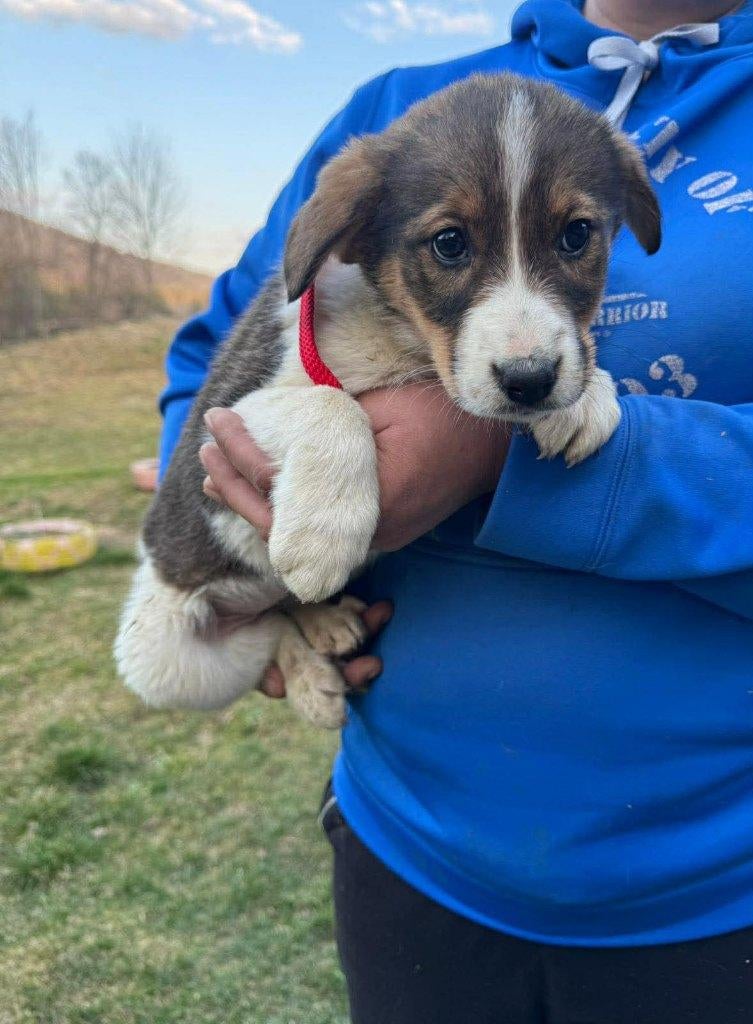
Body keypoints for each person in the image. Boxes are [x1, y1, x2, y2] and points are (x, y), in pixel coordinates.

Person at [159, 2, 753, 1021]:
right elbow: (217, 353)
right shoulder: (393, 115)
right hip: (410, 854)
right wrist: (240, 526)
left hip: (714, 889)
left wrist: (499, 454)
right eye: (445, 244)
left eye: (578, 236)